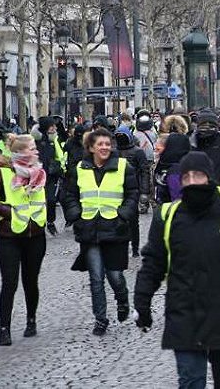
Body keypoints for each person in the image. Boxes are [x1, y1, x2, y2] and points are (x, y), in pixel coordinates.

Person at [133, 151, 220, 389]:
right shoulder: (167, 216)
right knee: (191, 381)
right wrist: (142, 300)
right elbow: (153, 262)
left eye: (197, 175)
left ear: (209, 177)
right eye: (186, 177)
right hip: (183, 311)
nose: (191, 182)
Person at [64, 128, 139, 336]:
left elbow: (133, 193)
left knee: (115, 276)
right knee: (96, 278)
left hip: (115, 229)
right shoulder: (79, 168)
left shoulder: (124, 167)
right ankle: (100, 319)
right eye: (100, 144)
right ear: (90, 148)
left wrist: (124, 214)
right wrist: (75, 215)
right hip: (89, 230)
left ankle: (122, 299)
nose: (105, 147)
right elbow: (69, 194)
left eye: (108, 144)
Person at [0, 135, 47, 345]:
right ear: (20, 152)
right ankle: (5, 328)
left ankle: (31, 320)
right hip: (9, 236)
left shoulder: (39, 172)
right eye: (31, 148)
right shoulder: (2, 174)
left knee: (31, 281)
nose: (35, 152)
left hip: (35, 234)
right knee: (9, 283)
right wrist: (8, 211)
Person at [115, 126, 151, 257]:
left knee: (133, 221)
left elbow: (144, 171)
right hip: (116, 190)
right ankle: (122, 246)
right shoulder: (114, 152)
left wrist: (144, 191)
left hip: (132, 190)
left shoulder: (138, 152)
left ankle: (135, 247)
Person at [31, 116, 63, 236]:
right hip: (36, 176)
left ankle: (50, 222)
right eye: (52, 126)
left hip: (51, 175)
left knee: (51, 199)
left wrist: (59, 168)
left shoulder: (54, 140)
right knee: (37, 201)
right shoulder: (33, 140)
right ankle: (38, 223)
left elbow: (59, 155)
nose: (54, 128)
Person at [153, 133, 191, 205]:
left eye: (158, 149)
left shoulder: (175, 170)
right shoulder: (164, 165)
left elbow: (177, 200)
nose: (155, 153)